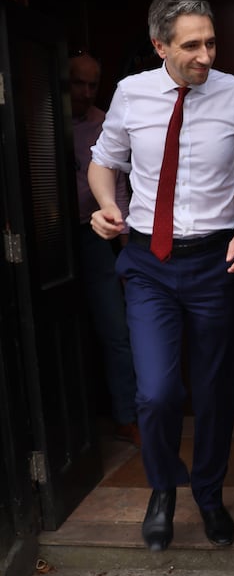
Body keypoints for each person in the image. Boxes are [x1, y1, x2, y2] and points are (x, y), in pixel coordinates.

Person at [88, 0, 234, 552]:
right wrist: (104, 204)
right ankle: (164, 489)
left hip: (214, 263)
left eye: (211, 42)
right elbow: (104, 160)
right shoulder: (131, 93)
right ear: (159, 46)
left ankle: (210, 495)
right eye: (191, 45)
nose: (206, 56)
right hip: (148, 261)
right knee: (158, 392)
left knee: (216, 390)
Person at [69, 51, 140, 447]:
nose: (85, 91)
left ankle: (125, 416)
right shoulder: (38, 121)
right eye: (77, 82)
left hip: (97, 237)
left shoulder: (103, 124)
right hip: (45, 242)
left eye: (92, 84)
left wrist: (127, 243)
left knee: (115, 328)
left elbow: (119, 186)